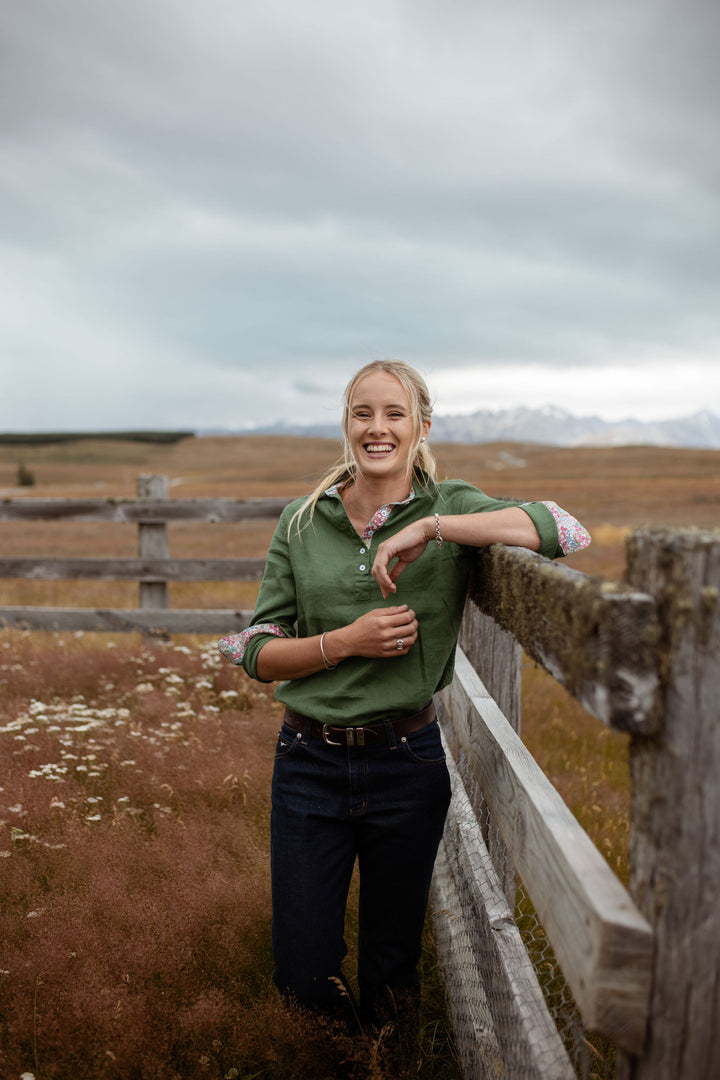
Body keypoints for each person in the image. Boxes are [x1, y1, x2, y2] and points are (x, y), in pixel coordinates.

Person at [218, 359, 590, 1044]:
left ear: (422, 425)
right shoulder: (303, 522)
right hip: (308, 764)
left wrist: (433, 528)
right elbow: (253, 650)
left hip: (406, 766)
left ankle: (387, 1064)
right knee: (301, 974)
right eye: (364, 413)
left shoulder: (450, 505)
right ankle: (339, 1063)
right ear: (347, 424)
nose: (378, 428)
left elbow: (567, 531)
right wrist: (344, 642)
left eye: (394, 414)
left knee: (391, 968)